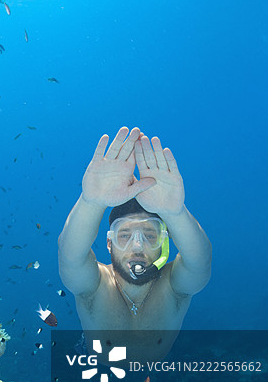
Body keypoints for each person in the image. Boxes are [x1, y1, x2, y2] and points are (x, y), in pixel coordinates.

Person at [58, 127, 211, 362]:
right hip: (99, 376)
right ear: (109, 244)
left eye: (150, 235)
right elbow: (70, 256)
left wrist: (176, 213)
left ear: (165, 240)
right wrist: (91, 201)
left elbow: (200, 263)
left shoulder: (173, 287)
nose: (137, 247)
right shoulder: (95, 286)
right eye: (124, 235)